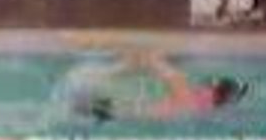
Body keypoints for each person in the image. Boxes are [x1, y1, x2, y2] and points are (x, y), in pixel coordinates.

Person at [75, 52, 249, 121]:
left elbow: (153, 61)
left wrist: (117, 69)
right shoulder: (205, 110)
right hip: (122, 115)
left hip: (116, 113)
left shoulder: (186, 91)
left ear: (211, 89)